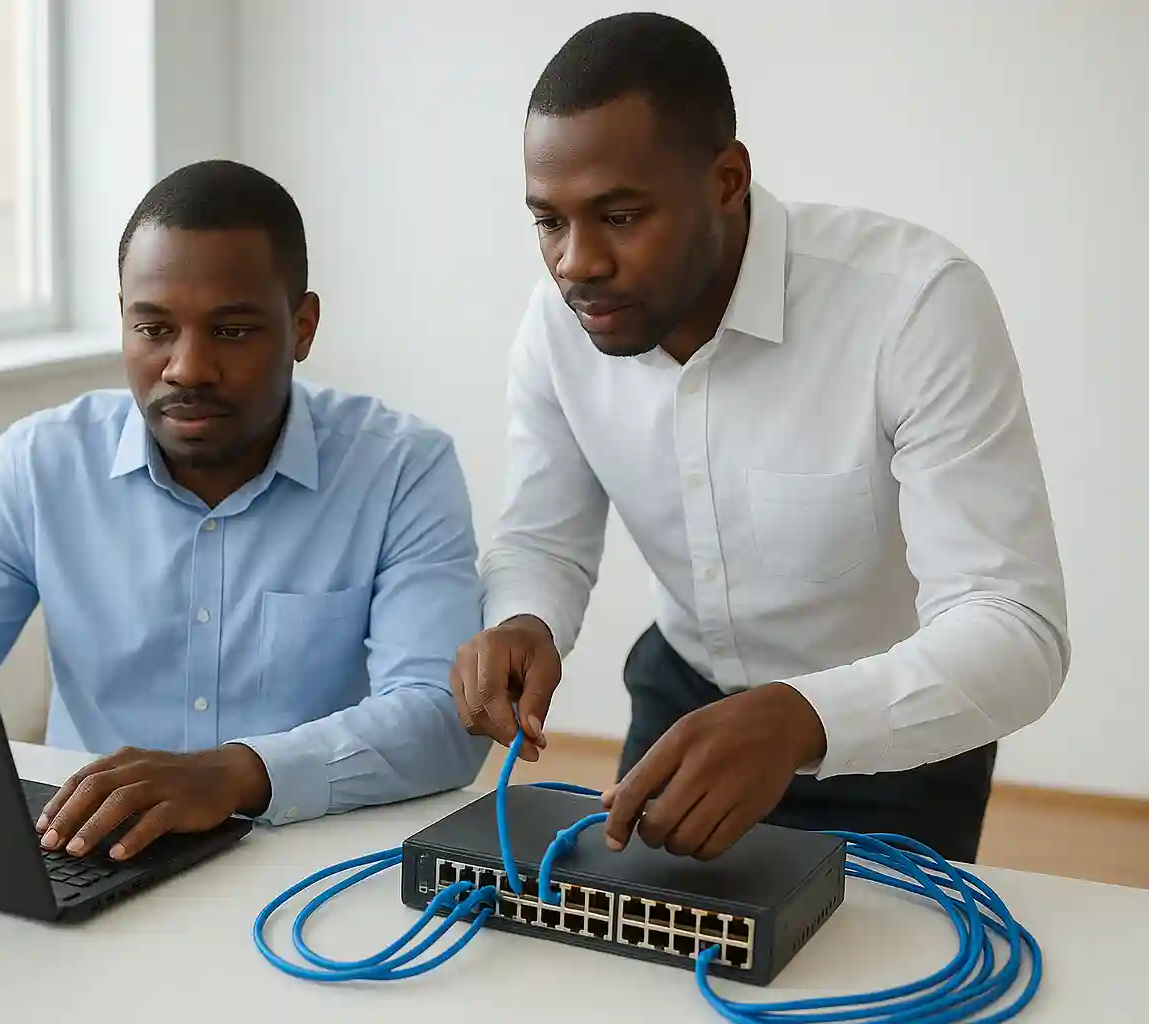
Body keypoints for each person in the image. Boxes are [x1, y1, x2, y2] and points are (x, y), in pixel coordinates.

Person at [451, 13, 1067, 864]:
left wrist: (800, 717)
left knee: (867, 992)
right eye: (549, 222)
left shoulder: (914, 305)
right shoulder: (558, 326)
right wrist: (524, 616)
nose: (575, 264)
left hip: (895, 738)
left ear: (727, 179)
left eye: (620, 215)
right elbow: (542, 540)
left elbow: (1016, 627)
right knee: (640, 981)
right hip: (680, 707)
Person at [0, 159, 488, 861]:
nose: (188, 368)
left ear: (303, 326)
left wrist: (234, 774)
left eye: (230, 331)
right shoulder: (40, 464)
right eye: (155, 329)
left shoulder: (401, 468)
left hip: (306, 863)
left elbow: (444, 721)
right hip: (90, 857)